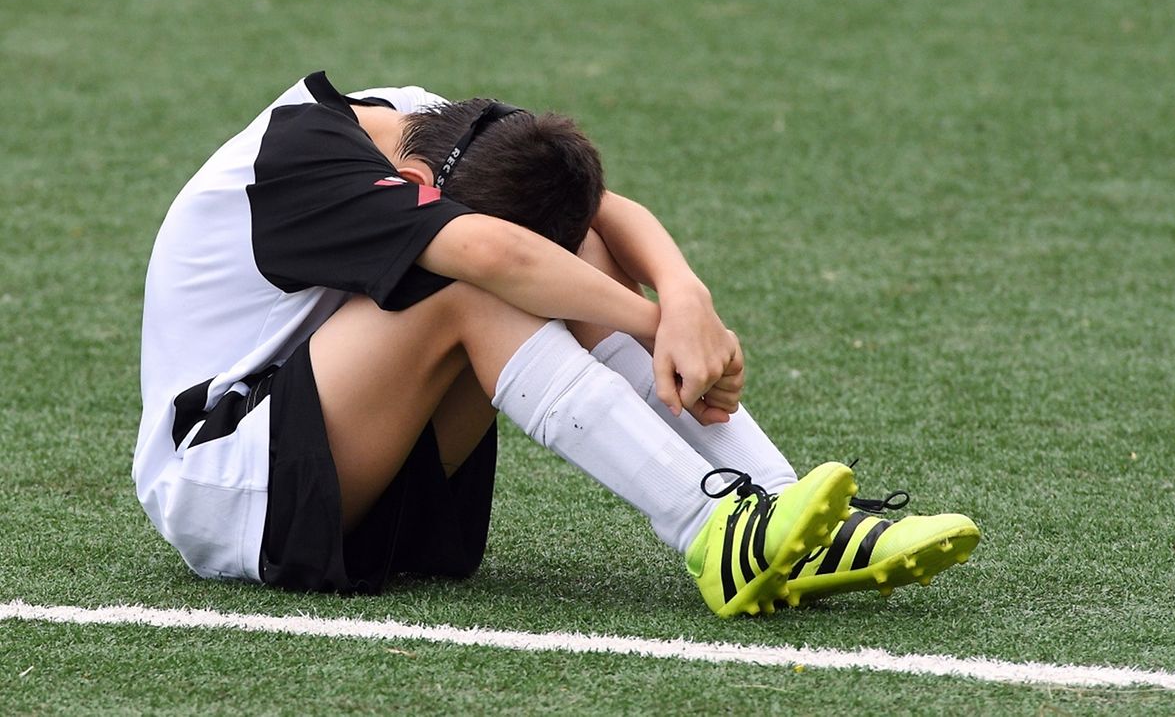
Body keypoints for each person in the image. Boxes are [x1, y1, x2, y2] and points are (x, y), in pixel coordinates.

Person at [134, 71, 978, 617]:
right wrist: (656, 326)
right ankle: (713, 527)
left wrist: (687, 295)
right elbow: (492, 255)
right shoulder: (301, 155)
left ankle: (784, 513)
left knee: (577, 249)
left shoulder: (424, 117)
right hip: (228, 484)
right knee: (473, 282)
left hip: (350, 464)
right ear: (418, 185)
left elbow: (603, 208)